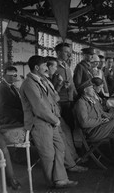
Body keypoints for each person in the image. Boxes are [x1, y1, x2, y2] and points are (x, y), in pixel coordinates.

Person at [20, 55, 77, 188]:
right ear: (36, 67)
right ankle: (51, 183)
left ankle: (60, 179)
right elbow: (39, 107)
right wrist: (55, 120)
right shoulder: (29, 84)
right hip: (39, 123)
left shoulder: (42, 80)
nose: (47, 68)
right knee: (48, 154)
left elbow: (53, 98)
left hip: (50, 120)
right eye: (45, 66)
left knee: (60, 147)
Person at [73, 79, 114, 170]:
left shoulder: (92, 100)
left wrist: (113, 115)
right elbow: (85, 123)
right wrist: (102, 121)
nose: (93, 89)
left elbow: (102, 113)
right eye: (91, 88)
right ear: (85, 90)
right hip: (93, 132)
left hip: (102, 129)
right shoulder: (81, 103)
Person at [46, 56, 88, 173]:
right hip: (49, 115)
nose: (56, 69)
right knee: (62, 136)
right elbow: (47, 101)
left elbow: (55, 96)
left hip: (55, 111)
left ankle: (74, 158)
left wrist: (59, 85)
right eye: (54, 66)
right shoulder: (42, 80)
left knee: (68, 131)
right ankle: (70, 164)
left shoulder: (48, 79)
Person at [0, 66, 23, 190]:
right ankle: (11, 178)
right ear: (5, 75)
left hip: (11, 118)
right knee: (2, 147)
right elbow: (2, 109)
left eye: (15, 75)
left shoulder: (12, 87)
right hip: (5, 121)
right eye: (12, 75)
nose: (14, 77)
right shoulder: (1, 88)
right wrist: (20, 114)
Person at [52, 43, 77, 130]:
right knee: (62, 127)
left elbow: (72, 82)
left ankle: (71, 143)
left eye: (69, 52)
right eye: (66, 52)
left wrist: (76, 95)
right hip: (60, 102)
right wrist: (61, 84)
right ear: (58, 52)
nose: (69, 54)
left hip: (69, 100)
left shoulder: (67, 66)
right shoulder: (53, 67)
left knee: (71, 125)